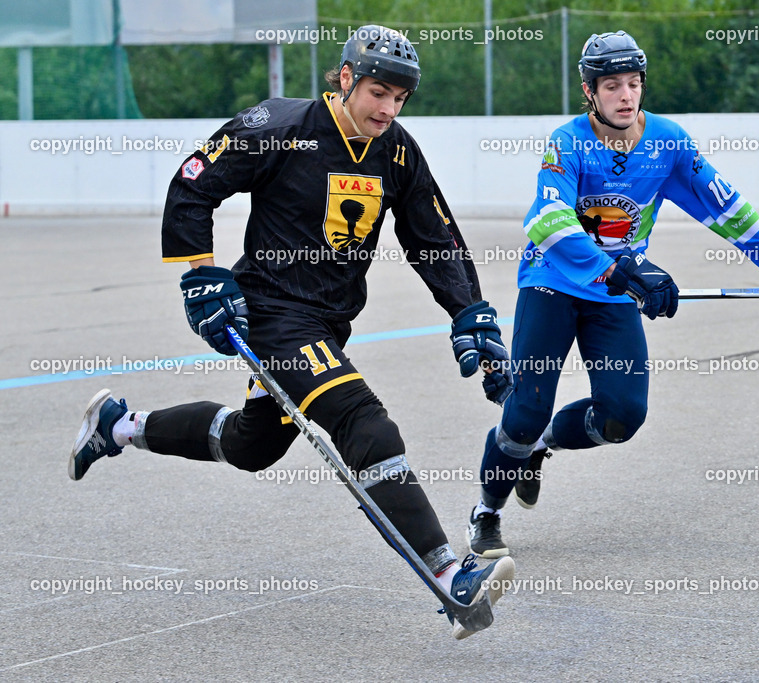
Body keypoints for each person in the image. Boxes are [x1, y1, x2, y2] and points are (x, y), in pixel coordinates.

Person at [69, 25, 515, 640]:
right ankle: (447, 573)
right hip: (272, 314)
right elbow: (192, 185)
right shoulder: (280, 125)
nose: (388, 109)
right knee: (362, 419)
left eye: (400, 99)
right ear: (344, 79)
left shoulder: (399, 151)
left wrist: (469, 313)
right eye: (378, 92)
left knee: (254, 445)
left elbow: (434, 238)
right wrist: (201, 276)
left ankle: (119, 424)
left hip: (329, 322)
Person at [466, 30, 759, 558]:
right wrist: (617, 271)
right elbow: (547, 220)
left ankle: (540, 448)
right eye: (613, 86)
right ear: (590, 91)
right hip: (553, 282)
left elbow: (725, 208)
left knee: (622, 418)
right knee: (525, 412)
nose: (626, 96)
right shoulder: (568, 142)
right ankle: (487, 511)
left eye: (634, 83)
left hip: (616, 292)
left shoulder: (667, 143)